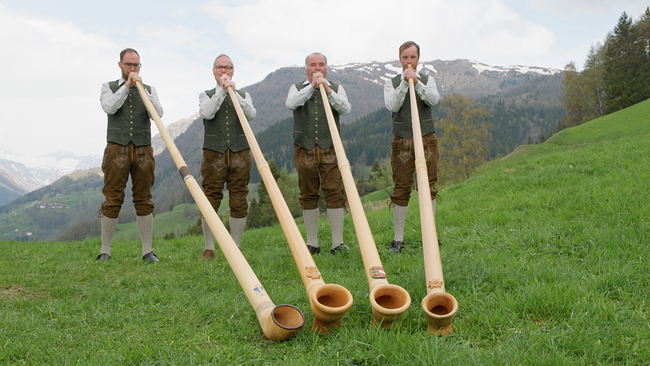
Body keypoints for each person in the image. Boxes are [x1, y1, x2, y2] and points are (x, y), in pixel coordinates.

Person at [97, 48, 164, 263]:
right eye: (129, 65)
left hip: (144, 149)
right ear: (120, 65)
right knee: (112, 197)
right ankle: (105, 251)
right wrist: (127, 86)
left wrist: (141, 89)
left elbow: (158, 114)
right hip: (117, 149)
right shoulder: (109, 87)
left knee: (144, 198)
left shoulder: (149, 89)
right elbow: (109, 107)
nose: (133, 69)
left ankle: (147, 251)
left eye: (136, 65)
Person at [286, 52, 352, 255]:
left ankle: (337, 243)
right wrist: (312, 88)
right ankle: (312, 243)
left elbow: (346, 109)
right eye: (313, 65)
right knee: (308, 193)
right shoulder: (296, 88)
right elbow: (291, 103)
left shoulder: (337, 88)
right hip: (304, 147)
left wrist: (328, 90)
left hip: (331, 147)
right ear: (306, 69)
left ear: (326, 68)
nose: (317, 68)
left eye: (321, 65)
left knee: (334, 191)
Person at [384, 41, 441, 253]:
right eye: (405, 57)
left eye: (413, 57)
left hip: (427, 138)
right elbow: (392, 105)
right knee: (401, 188)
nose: (409, 61)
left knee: (428, 186)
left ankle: (431, 235)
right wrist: (404, 84)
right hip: (402, 141)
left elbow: (434, 100)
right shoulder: (391, 82)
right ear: (400, 58)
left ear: (418, 58)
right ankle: (398, 239)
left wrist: (417, 83)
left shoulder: (428, 80)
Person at [198, 54, 256, 259]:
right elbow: (207, 113)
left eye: (228, 68)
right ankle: (209, 247)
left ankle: (236, 246)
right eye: (220, 68)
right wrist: (222, 92)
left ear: (233, 71)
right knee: (211, 197)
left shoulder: (243, 94)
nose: (224, 71)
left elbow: (251, 114)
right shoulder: (206, 95)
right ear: (214, 71)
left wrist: (233, 92)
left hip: (240, 151)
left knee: (239, 196)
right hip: (214, 153)